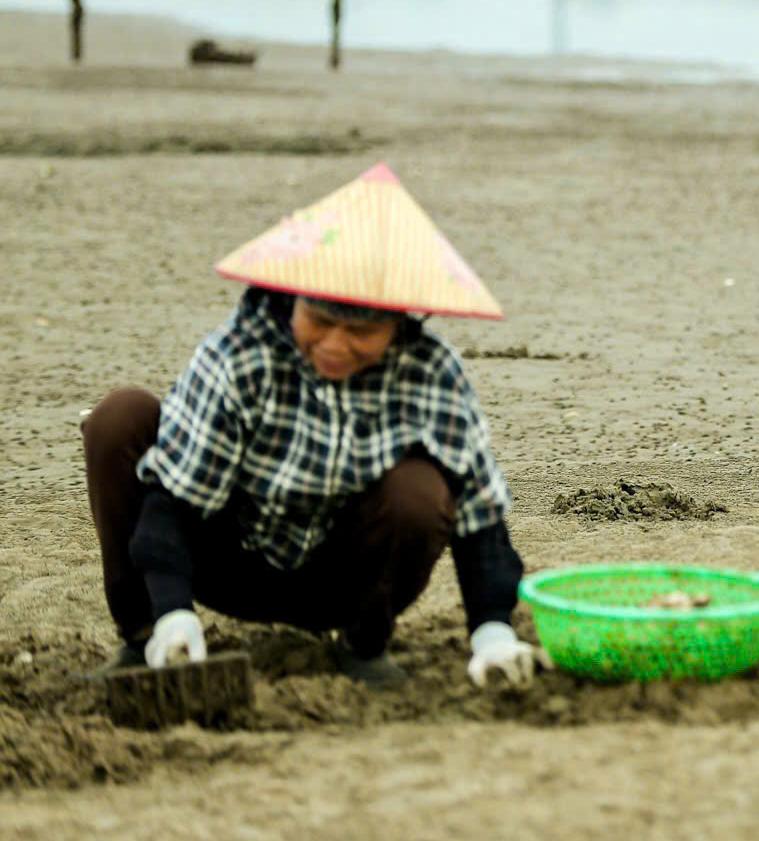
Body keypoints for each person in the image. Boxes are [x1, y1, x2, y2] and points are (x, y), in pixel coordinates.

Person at [82, 163, 549, 689]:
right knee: (120, 417)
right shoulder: (239, 354)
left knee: (422, 491)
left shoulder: (433, 372)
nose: (333, 346)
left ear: (399, 325)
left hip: (345, 581)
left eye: (362, 332)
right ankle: (147, 639)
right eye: (319, 322)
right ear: (293, 299)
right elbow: (175, 500)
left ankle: (363, 647)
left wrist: (492, 633)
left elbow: (480, 521)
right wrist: (172, 610)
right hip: (224, 560)